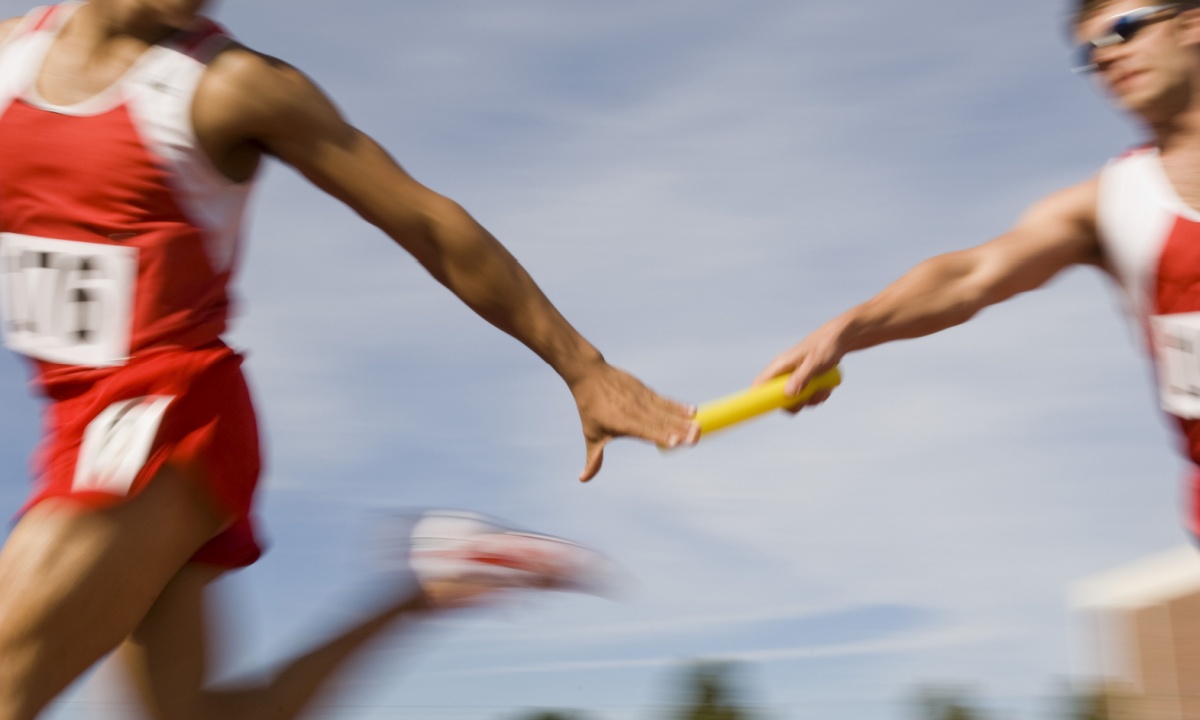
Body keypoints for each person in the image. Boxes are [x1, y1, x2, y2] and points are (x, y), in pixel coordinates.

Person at [0, 1, 699, 718]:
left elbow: (427, 222)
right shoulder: (11, 58)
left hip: (165, 415)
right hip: (73, 421)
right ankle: (428, 585)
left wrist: (584, 368)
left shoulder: (230, 88)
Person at [757, 0, 1200, 538]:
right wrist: (849, 328)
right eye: (1091, 52)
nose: (1105, 58)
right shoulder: (1104, 205)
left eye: (1123, 31)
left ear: (1190, 23)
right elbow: (970, 276)